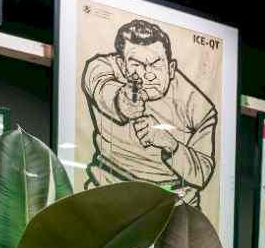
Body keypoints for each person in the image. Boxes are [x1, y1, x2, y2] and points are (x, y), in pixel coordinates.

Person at [81, 19, 218, 207]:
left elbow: (202, 174)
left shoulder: (197, 107)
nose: (149, 74)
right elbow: (102, 86)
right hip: (110, 199)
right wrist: (121, 101)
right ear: (122, 65)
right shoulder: (103, 68)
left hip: (172, 210)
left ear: (171, 69)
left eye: (156, 64)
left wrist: (169, 143)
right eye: (137, 64)